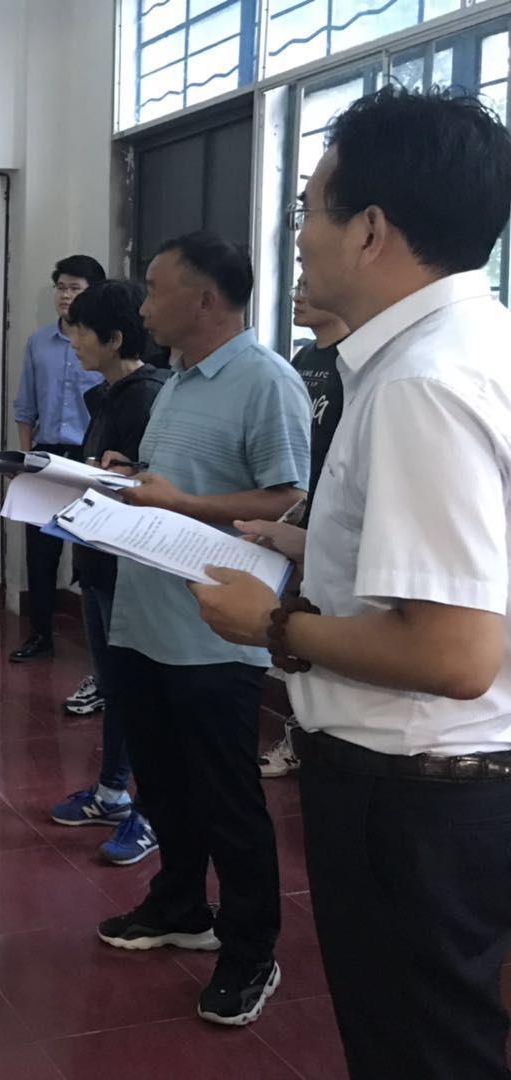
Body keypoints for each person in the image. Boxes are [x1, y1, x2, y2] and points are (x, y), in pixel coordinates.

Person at [192, 86, 511, 1079]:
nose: (297, 237)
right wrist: (308, 543)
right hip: (449, 784)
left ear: (370, 230)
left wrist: (272, 624)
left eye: (307, 210)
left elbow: (455, 652)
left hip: (410, 793)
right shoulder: (475, 344)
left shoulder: (423, 382)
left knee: (417, 1050)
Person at [94, 232, 310, 1028]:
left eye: (156, 288)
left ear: (206, 299)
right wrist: (127, 483)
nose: (144, 304)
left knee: (227, 800)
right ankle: (180, 904)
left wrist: (180, 503)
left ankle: (251, 952)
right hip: (145, 618)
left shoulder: (266, 381)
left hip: (215, 633)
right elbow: (174, 489)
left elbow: (288, 499)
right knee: (163, 784)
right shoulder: (178, 381)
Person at [46, 280, 168, 867]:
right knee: (116, 688)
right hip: (97, 560)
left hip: (128, 569)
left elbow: (149, 487)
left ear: (115, 338)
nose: (73, 343)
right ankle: (112, 792)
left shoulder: (146, 398)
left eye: (82, 333)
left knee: (139, 693)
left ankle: (151, 810)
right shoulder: (110, 395)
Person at [259, 276, 350, 779]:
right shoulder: (301, 359)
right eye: (292, 286)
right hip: (298, 510)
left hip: (333, 515)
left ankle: (310, 737)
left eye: (306, 284)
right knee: (294, 622)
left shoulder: (354, 362)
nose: (296, 295)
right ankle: (301, 730)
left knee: (325, 622)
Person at [10, 254, 107, 664]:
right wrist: (26, 458)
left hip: (91, 459)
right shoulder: (38, 342)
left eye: (75, 288)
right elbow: (25, 406)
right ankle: (40, 635)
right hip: (47, 455)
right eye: (61, 287)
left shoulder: (103, 342)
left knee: (93, 552)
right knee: (41, 551)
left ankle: (99, 647)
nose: (66, 296)